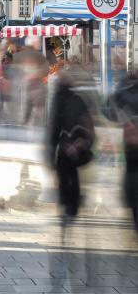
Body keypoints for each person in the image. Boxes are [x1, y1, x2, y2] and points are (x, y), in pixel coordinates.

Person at [47, 72, 95, 218]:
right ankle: (72, 206)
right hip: (76, 143)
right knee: (72, 174)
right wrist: (81, 143)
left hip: (64, 144)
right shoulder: (77, 99)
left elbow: (54, 126)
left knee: (63, 173)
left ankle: (66, 203)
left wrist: (54, 145)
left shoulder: (56, 100)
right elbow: (86, 122)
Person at [113, 72, 138, 231]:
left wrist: (125, 121)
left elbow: (110, 110)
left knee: (131, 174)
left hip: (130, 143)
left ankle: (132, 204)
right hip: (131, 143)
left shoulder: (122, 89)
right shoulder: (123, 89)